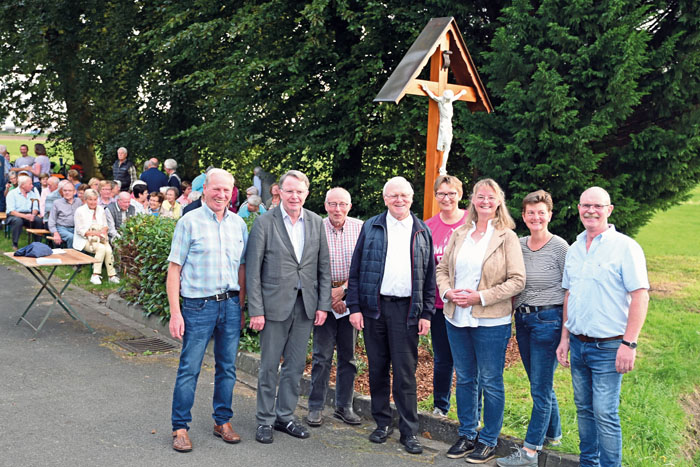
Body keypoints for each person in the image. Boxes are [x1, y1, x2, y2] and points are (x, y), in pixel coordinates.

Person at [556, 187, 649, 467]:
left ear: (609, 210)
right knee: (584, 410)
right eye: (586, 205)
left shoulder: (625, 247)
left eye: (597, 205)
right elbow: (569, 295)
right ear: (579, 208)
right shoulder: (574, 249)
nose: (591, 211)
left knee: (605, 413)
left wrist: (629, 343)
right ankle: (588, 463)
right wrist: (565, 338)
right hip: (579, 344)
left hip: (610, 346)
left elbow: (640, 295)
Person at [435, 178, 525, 463]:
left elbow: (517, 281)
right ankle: (467, 433)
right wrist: (448, 291)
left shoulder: (506, 236)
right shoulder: (461, 233)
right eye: (480, 197)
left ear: (499, 201)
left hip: (490, 321)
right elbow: (441, 269)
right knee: (464, 379)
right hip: (456, 317)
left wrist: (481, 297)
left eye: (491, 197)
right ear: (472, 200)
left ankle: (488, 440)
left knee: (490, 381)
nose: (485, 201)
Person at [346, 176, 435, 455]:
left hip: (407, 311)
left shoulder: (422, 230)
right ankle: (382, 423)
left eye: (404, 195)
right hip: (375, 309)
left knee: (406, 373)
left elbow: (430, 276)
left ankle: (409, 431)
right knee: (377, 369)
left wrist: (427, 313)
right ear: (385, 199)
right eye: (393, 195)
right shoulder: (371, 227)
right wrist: (355, 307)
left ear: (411, 198)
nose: (399, 200)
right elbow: (356, 269)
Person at [245, 169, 331, 444]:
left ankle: (285, 416)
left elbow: (323, 268)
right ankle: (265, 420)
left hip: (305, 306)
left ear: (307, 193)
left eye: (300, 191)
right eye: (290, 190)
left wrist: (323, 305)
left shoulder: (317, 222)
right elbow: (253, 270)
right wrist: (255, 309)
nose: (295, 195)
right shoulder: (264, 222)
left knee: (294, 366)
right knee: (269, 366)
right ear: (279, 192)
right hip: (273, 306)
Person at [166, 169, 248, 453]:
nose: (222, 195)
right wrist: (176, 313)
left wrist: (242, 303)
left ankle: (222, 421)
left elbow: (242, 268)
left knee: (227, 367)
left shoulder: (239, 224)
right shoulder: (189, 222)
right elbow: (174, 270)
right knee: (190, 368)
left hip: (230, 304)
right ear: (205, 189)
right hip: (197, 306)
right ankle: (180, 427)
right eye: (217, 189)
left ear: (232, 193)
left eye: (227, 191)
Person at [496, 190, 568, 467]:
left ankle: (530, 452)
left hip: (548, 321)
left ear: (549, 215)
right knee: (540, 384)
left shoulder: (560, 247)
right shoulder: (520, 244)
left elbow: (570, 290)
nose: (535, 217)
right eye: (530, 212)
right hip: (523, 320)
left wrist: (565, 332)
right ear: (523, 215)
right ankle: (554, 433)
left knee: (540, 388)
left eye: (541, 212)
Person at [306, 187, 364, 428]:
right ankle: (316, 407)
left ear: (349, 206)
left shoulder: (361, 228)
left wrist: (345, 292)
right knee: (321, 357)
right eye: (332, 204)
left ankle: (344, 406)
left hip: (350, 300)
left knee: (349, 357)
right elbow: (307, 265)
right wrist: (328, 296)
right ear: (325, 205)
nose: (337, 209)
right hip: (323, 299)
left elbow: (364, 264)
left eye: (342, 204)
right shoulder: (315, 227)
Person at [425, 175, 467, 419]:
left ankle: (470, 409)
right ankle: (440, 406)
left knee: (468, 361)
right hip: (440, 304)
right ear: (436, 196)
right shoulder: (429, 227)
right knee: (443, 359)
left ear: (460, 195)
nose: (447, 198)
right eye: (442, 193)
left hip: (467, 303)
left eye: (451, 193)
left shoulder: (471, 225)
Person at [73, 189, 120, 285]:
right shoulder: (80, 211)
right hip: (85, 239)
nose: (93, 202)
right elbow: (80, 231)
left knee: (109, 250)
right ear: (86, 200)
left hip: (100, 238)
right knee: (101, 248)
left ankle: (112, 275)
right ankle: (95, 275)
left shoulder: (100, 209)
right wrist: (95, 234)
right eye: (90, 199)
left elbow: (106, 225)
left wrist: (103, 231)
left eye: (95, 199)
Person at [420, 84, 467, 175]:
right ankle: (442, 168)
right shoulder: (441, 100)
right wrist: (426, 89)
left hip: (449, 125)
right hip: (444, 126)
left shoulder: (449, 101)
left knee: (447, 148)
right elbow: (433, 96)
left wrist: (461, 93)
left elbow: (456, 97)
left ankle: (443, 167)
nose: (449, 99)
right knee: (446, 147)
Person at [5, 175, 43, 250]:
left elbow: (35, 207)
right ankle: (15, 244)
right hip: (14, 215)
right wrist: (25, 216)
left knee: (38, 220)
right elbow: (11, 211)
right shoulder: (12, 193)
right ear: (22, 185)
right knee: (17, 221)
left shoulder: (32, 193)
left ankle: (37, 243)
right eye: (30, 184)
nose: (32, 186)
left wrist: (33, 215)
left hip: (29, 214)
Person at [48, 182, 82, 248]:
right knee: (71, 237)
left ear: (74, 192)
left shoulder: (79, 202)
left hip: (76, 228)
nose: (67, 192)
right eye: (65, 190)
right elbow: (51, 220)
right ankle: (71, 256)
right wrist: (55, 233)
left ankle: (82, 256)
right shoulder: (57, 203)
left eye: (69, 190)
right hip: (62, 228)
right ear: (62, 192)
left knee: (82, 238)